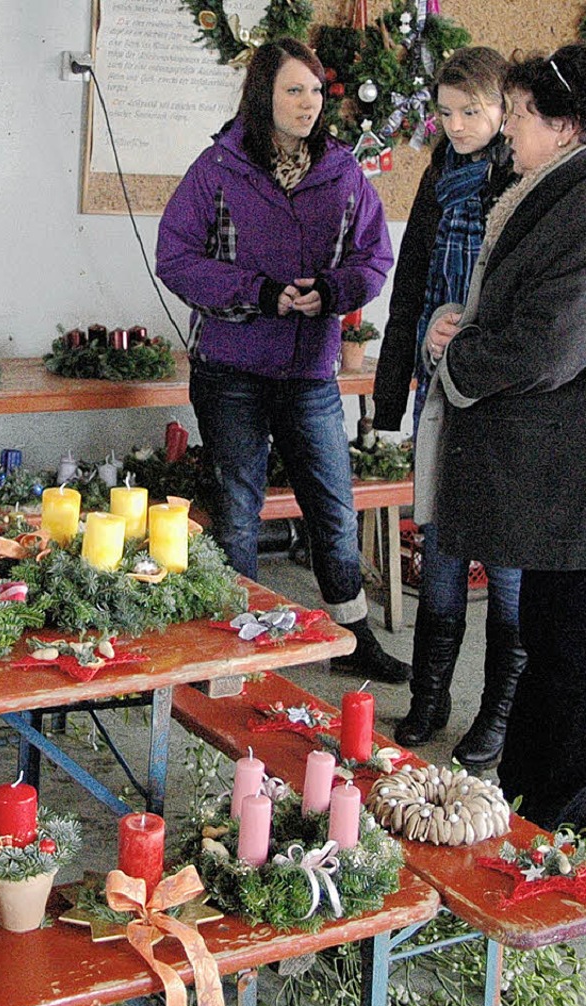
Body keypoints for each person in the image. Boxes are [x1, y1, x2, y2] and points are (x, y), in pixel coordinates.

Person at [156, 37, 410, 684]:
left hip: (309, 372)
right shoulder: (217, 168)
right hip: (231, 370)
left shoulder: (343, 172)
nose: (308, 103)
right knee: (238, 512)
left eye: (317, 91)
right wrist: (259, 293)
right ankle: (238, 646)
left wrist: (331, 291)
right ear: (263, 95)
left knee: (332, 505)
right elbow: (177, 257)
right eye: (294, 90)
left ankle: (351, 637)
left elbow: (373, 258)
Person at [422, 42, 586, 840]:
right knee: (553, 659)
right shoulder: (568, 184)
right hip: (564, 492)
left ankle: (560, 858)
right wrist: (459, 325)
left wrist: (457, 354)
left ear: (566, 124)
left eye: (524, 115)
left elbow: (548, 342)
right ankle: (529, 830)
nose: (509, 131)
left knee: (579, 679)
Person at [373, 47, 525, 765]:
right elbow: (414, 279)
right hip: (441, 387)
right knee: (439, 544)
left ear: (505, 111)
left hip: (505, 398)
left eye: (473, 111)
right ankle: (429, 698)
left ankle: (499, 711)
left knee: (506, 561)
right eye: (446, 111)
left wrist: (469, 325)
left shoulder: (523, 178)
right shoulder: (439, 173)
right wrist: (427, 332)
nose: (457, 124)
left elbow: (525, 296)